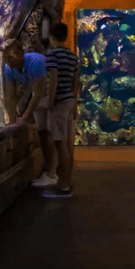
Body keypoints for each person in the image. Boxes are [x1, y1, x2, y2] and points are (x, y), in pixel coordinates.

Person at [2, 38, 56, 186]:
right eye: (5, 57)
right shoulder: (9, 68)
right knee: (42, 133)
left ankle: (53, 173)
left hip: (51, 91)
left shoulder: (36, 62)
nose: (8, 61)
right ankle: (49, 170)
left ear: (20, 54)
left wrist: (25, 117)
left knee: (52, 134)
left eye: (10, 57)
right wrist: (12, 119)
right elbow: (9, 95)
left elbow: (38, 94)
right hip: (37, 93)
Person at [42, 22, 80, 198]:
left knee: (59, 143)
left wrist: (50, 101)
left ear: (51, 37)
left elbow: (53, 78)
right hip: (69, 100)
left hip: (59, 102)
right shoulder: (72, 56)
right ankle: (66, 182)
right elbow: (76, 82)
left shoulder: (52, 54)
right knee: (67, 144)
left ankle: (63, 186)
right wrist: (75, 102)